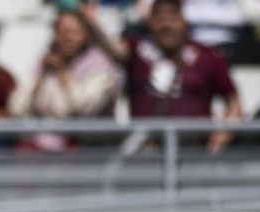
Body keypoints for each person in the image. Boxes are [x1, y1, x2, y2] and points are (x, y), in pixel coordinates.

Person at [83, 0, 242, 153]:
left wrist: (223, 134)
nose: (166, 25)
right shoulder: (136, 49)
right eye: (159, 19)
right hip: (146, 152)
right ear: (149, 23)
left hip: (195, 151)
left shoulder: (208, 56)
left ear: (183, 20)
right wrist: (92, 26)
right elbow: (115, 50)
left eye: (172, 18)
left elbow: (233, 102)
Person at [9, 8, 120, 151]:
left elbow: (83, 108)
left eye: (74, 32)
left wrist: (63, 76)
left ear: (86, 35)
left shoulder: (101, 68)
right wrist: (39, 80)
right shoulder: (42, 65)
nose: (67, 37)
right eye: (62, 32)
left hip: (87, 150)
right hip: (41, 146)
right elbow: (16, 108)